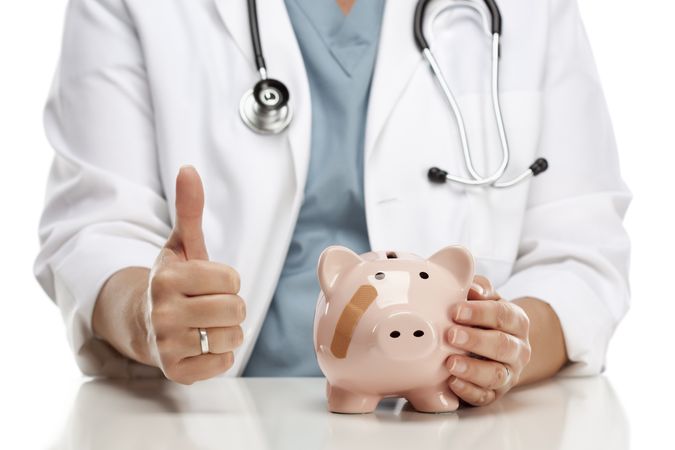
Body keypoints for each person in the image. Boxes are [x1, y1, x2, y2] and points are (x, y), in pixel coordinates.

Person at [35, 0, 631, 408]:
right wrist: (147, 313)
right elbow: (93, 230)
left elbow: (580, 256)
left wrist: (503, 349)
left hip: (457, 426)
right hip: (213, 419)